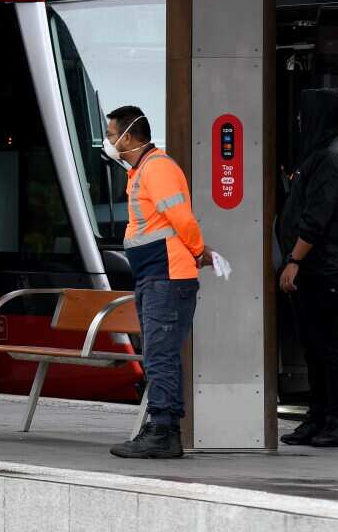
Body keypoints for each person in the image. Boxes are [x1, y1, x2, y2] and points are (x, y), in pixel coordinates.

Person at [104, 106, 211, 459]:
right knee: (156, 354)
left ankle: (163, 431)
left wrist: (197, 251)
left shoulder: (158, 169)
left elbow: (182, 217)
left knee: (160, 355)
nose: (108, 141)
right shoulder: (140, 171)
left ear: (129, 137)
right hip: (155, 275)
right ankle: (161, 427)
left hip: (167, 276)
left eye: (110, 133)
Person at [278, 88, 338, 448]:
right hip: (314, 270)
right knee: (312, 344)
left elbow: (316, 218)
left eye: (304, 114)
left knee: (327, 345)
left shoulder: (330, 159)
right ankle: (317, 416)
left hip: (324, 269)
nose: (298, 120)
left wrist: (294, 259)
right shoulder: (316, 156)